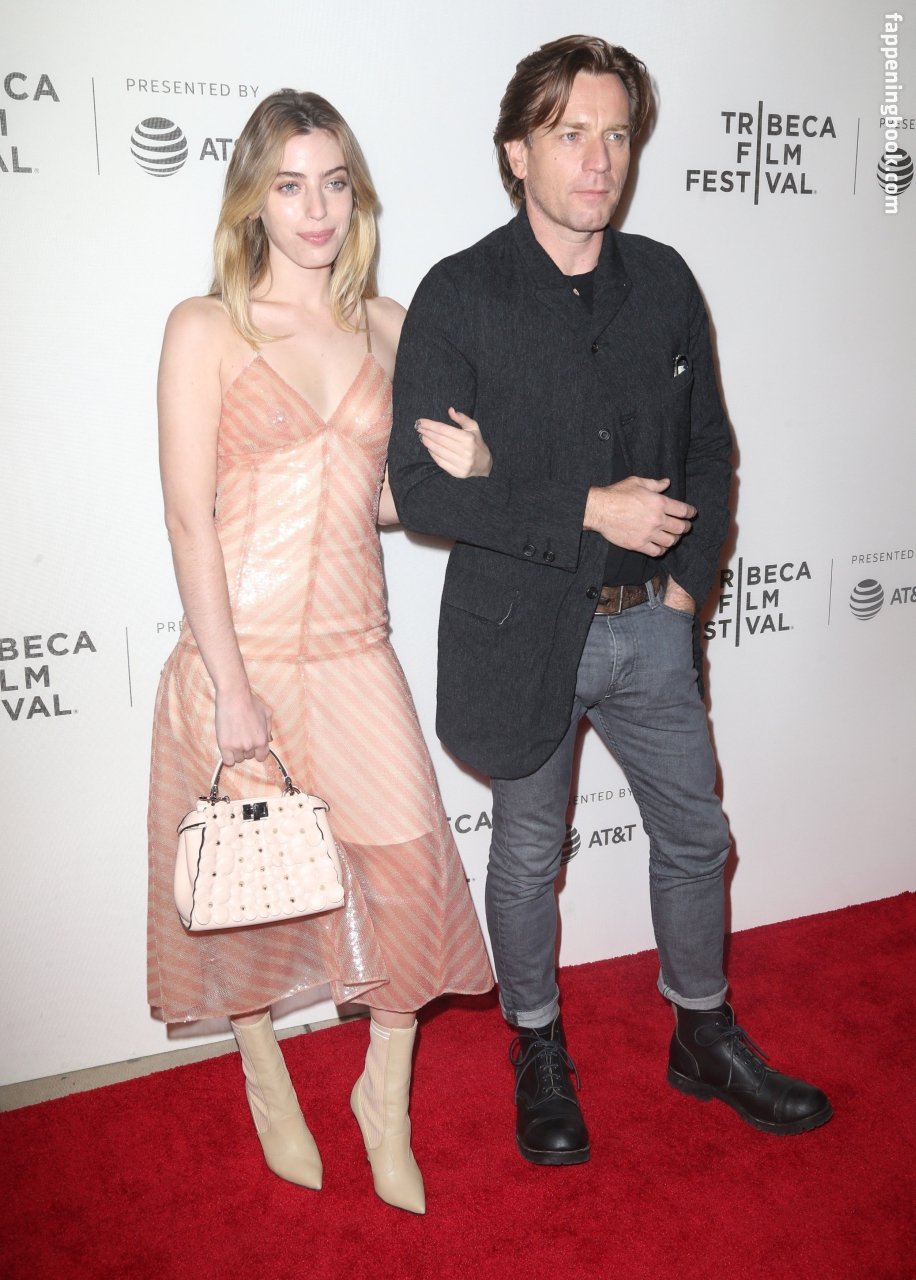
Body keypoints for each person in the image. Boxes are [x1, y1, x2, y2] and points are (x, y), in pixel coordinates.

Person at [388, 35, 831, 1166]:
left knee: (697, 834)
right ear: (516, 152)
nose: (599, 160)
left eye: (617, 134)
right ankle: (537, 1046)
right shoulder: (458, 296)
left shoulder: (665, 282)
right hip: (521, 630)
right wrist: (588, 506)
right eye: (571, 134)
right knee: (528, 851)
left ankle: (701, 1032)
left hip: (650, 625)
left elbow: (711, 451)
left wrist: (684, 594)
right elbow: (423, 490)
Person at [147, 89, 493, 1215]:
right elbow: (190, 518)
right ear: (253, 196)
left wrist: (475, 469)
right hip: (238, 653)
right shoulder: (206, 326)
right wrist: (230, 685)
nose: (316, 208)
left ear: (357, 195)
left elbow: (390, 502)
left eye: (335, 183)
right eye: (290, 184)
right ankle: (265, 1073)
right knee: (245, 892)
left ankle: (381, 1098)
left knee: (413, 877)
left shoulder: (388, 325)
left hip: (354, 649)